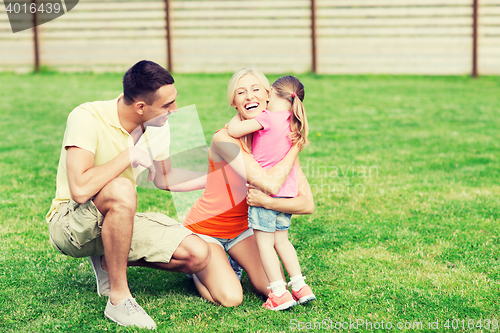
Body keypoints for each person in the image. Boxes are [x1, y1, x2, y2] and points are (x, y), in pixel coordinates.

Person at [46, 60, 210, 329]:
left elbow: (164, 178)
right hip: (70, 224)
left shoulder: (157, 125)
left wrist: (220, 179)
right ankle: (119, 300)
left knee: (197, 255)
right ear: (141, 107)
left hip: (116, 217)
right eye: (167, 105)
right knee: (123, 188)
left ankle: (107, 263)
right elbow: (79, 190)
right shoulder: (86, 117)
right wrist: (128, 156)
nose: (175, 110)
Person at [182, 68, 314, 307]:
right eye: (240, 92)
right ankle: (195, 269)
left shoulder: (280, 143)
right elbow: (270, 183)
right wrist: (296, 148)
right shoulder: (224, 139)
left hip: (243, 231)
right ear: (234, 102)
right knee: (232, 298)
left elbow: (307, 203)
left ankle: (228, 260)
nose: (249, 96)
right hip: (207, 229)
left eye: (255, 90)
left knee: (273, 286)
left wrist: (270, 203)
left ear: (268, 96)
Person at [227, 75, 315, 310]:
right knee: (283, 242)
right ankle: (300, 286)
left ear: (271, 95)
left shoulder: (267, 117)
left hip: (264, 193)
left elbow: (234, 130)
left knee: (264, 245)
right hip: (287, 194)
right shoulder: (294, 121)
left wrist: (238, 111)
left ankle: (279, 292)